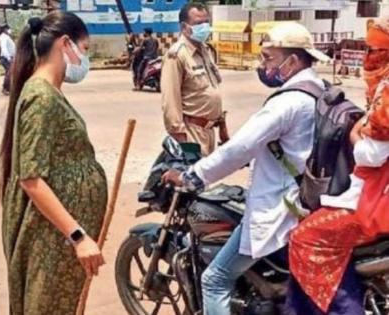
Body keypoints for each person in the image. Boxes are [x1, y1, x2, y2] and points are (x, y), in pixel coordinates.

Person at [162, 22, 330, 315]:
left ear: (291, 62)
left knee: (214, 279)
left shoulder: (286, 103)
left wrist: (192, 177)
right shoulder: (320, 88)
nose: (262, 65)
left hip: (281, 207)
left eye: (268, 58)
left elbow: (239, 148)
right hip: (310, 199)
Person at [0, 12, 107, 314]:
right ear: (65, 44)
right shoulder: (42, 98)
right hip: (50, 237)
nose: (85, 60)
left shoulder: (49, 93)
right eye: (84, 50)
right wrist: (78, 235)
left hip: (57, 239)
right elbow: (30, 179)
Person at [287, 16, 389, 315]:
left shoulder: (387, 94)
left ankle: (343, 309)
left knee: (304, 238)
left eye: (377, 50)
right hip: (373, 188)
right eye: (367, 49)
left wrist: (357, 135)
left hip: (375, 198)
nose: (369, 57)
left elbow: (373, 155)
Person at [160, 3, 229, 156]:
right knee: (190, 177)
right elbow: (170, 100)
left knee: (205, 178)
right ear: (184, 27)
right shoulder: (177, 55)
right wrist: (180, 137)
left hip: (209, 131)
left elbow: (210, 91)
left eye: (206, 22)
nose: (204, 27)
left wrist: (222, 125)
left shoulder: (206, 51)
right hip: (191, 132)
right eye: (199, 24)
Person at [0, 23, 16, 95]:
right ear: (5, 29)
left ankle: (7, 88)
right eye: (8, 29)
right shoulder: (3, 37)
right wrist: (9, 58)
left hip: (8, 57)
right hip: (6, 58)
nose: (10, 30)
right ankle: (5, 88)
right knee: (9, 73)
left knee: (9, 73)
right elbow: (4, 48)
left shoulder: (6, 37)